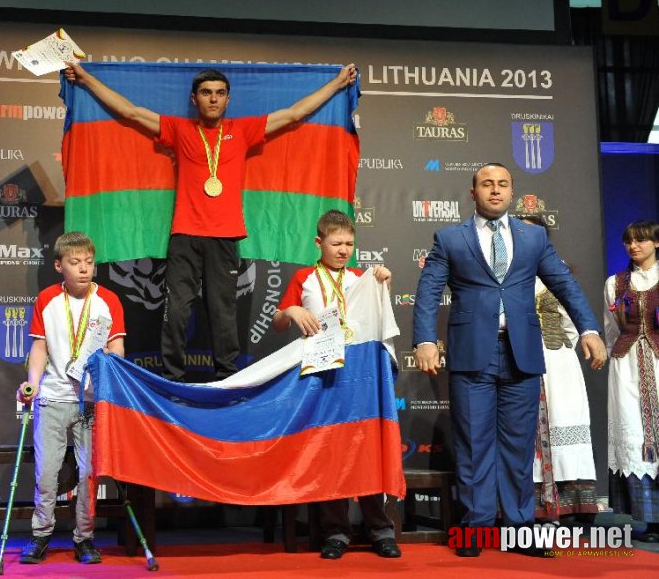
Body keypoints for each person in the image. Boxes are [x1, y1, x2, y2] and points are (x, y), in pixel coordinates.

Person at [64, 61, 356, 382]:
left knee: (223, 313)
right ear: (194, 99)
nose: (213, 99)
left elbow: (292, 114)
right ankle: (172, 378)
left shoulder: (242, 130)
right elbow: (131, 112)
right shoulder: (179, 129)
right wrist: (87, 79)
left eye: (219, 93)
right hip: (185, 236)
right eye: (206, 93)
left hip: (225, 237)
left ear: (228, 99)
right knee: (175, 312)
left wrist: (337, 84)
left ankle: (227, 377)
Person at [412, 163, 606, 557]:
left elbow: (564, 283)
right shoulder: (450, 238)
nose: (495, 191)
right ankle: (477, 529)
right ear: (473, 192)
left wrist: (588, 329)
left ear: (511, 192)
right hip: (472, 356)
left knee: (518, 447)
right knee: (473, 444)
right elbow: (429, 291)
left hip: (522, 353)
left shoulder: (533, 237)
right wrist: (424, 341)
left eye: (502, 184)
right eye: (487, 184)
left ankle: (520, 528)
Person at [272, 209, 399, 560]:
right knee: (331, 453)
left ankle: (380, 530)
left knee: (369, 450)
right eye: (336, 243)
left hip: (362, 380)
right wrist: (291, 312)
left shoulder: (362, 278)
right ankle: (336, 533)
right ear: (319, 242)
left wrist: (384, 279)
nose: (344, 250)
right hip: (323, 378)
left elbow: (379, 316)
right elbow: (279, 323)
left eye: (349, 244)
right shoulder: (304, 278)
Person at [17, 232, 126, 565]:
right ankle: (41, 536)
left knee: (88, 473)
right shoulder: (47, 299)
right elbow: (39, 348)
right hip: (52, 397)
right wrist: (31, 384)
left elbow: (117, 348)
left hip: (91, 401)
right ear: (58, 265)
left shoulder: (109, 301)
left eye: (89, 263)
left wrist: (110, 369)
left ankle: (85, 538)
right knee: (47, 472)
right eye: (75, 263)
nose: (84, 269)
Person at [517, 215, 598, 524]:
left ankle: (573, 502)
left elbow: (572, 319)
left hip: (558, 361)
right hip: (521, 357)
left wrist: (557, 345)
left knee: (563, 418)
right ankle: (534, 504)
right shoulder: (508, 272)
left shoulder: (558, 271)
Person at [604, 220, 659, 543]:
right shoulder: (616, 282)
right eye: (628, 241)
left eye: (641, 240)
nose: (633, 246)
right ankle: (650, 518)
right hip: (626, 367)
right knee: (635, 431)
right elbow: (611, 327)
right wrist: (617, 353)